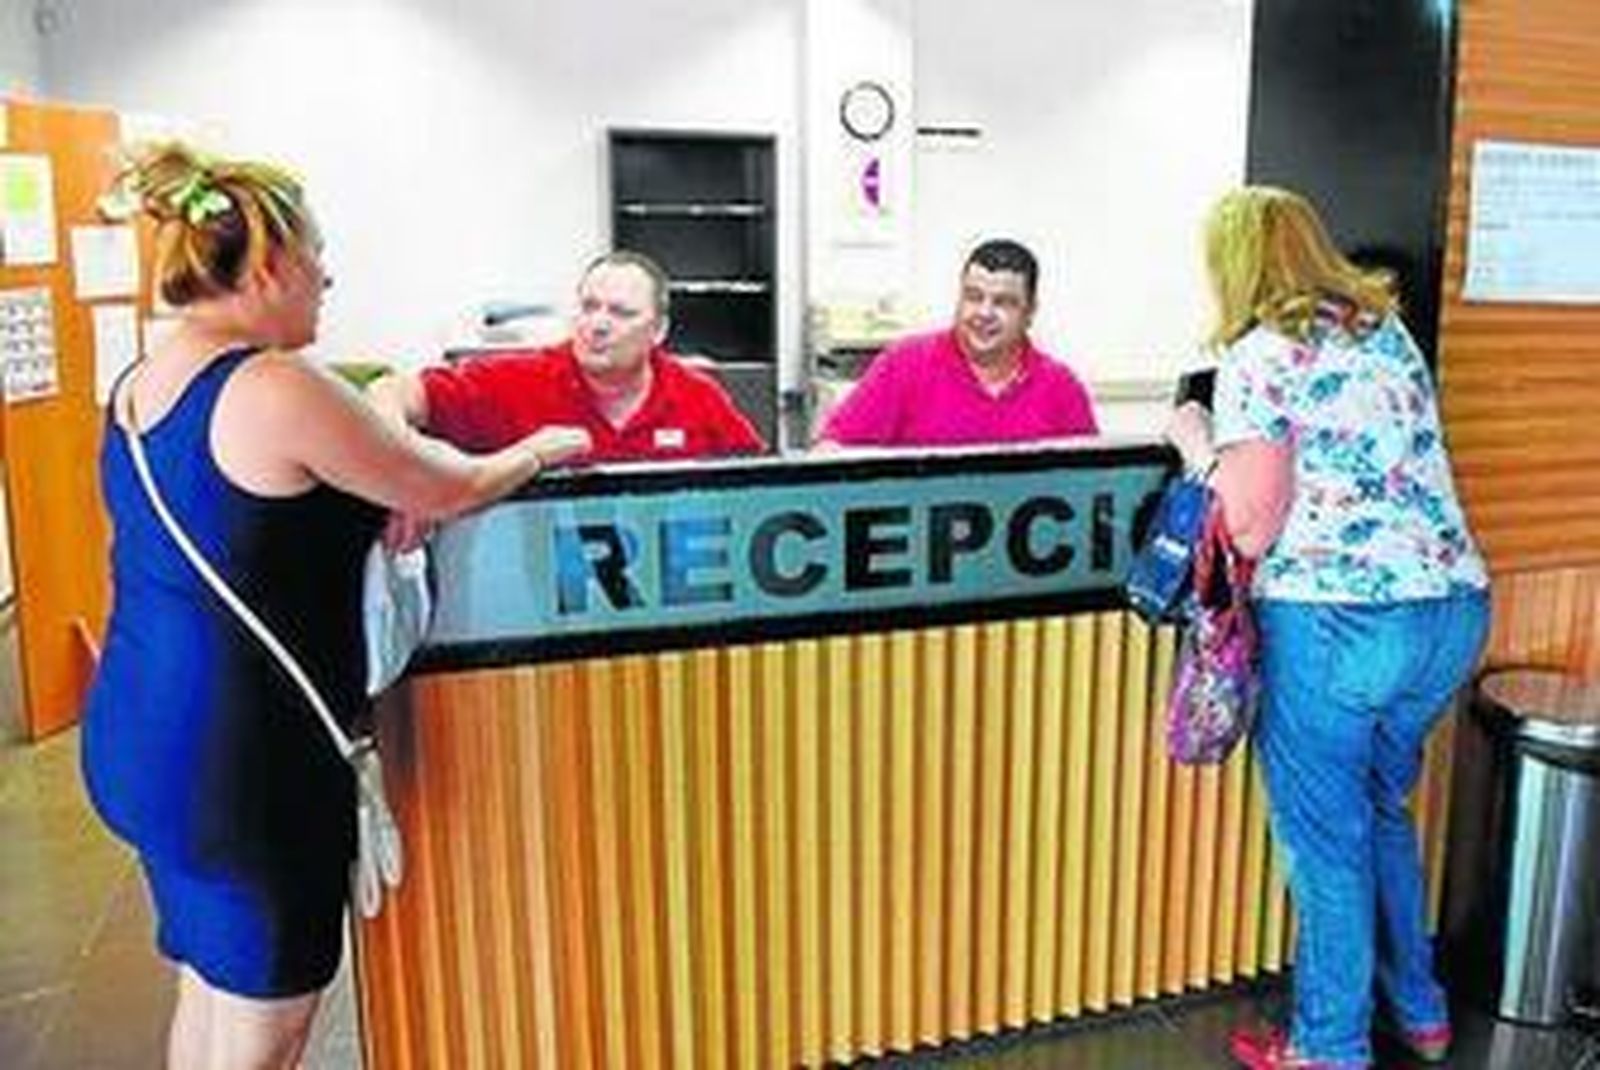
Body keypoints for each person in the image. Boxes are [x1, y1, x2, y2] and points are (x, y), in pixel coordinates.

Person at [82, 143, 591, 1070]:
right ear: (271, 264)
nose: (327, 276)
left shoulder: (140, 384)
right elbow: (453, 484)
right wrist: (545, 446)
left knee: (209, 986)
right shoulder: (275, 384)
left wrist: (378, 475)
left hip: (139, 733)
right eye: (318, 254)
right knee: (264, 1032)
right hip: (244, 760)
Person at [1165, 187, 1489, 1070]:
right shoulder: (1386, 333)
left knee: (1325, 842)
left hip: (1339, 624)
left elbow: (1248, 525)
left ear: (1231, 265)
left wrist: (1195, 439)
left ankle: (1330, 1048)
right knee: (1380, 809)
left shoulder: (1258, 356)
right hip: (1450, 611)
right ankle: (1419, 1010)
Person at [364, 250, 766, 462]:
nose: (598, 324)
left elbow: (762, 487)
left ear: (658, 330)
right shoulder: (517, 380)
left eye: (621, 312)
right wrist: (404, 476)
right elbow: (387, 392)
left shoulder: (698, 396)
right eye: (589, 307)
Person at [815, 239, 1098, 447]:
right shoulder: (904, 364)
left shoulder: (1062, 388)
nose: (984, 313)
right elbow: (832, 452)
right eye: (973, 296)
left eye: (1003, 302)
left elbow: (1094, 486)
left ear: (1030, 312)